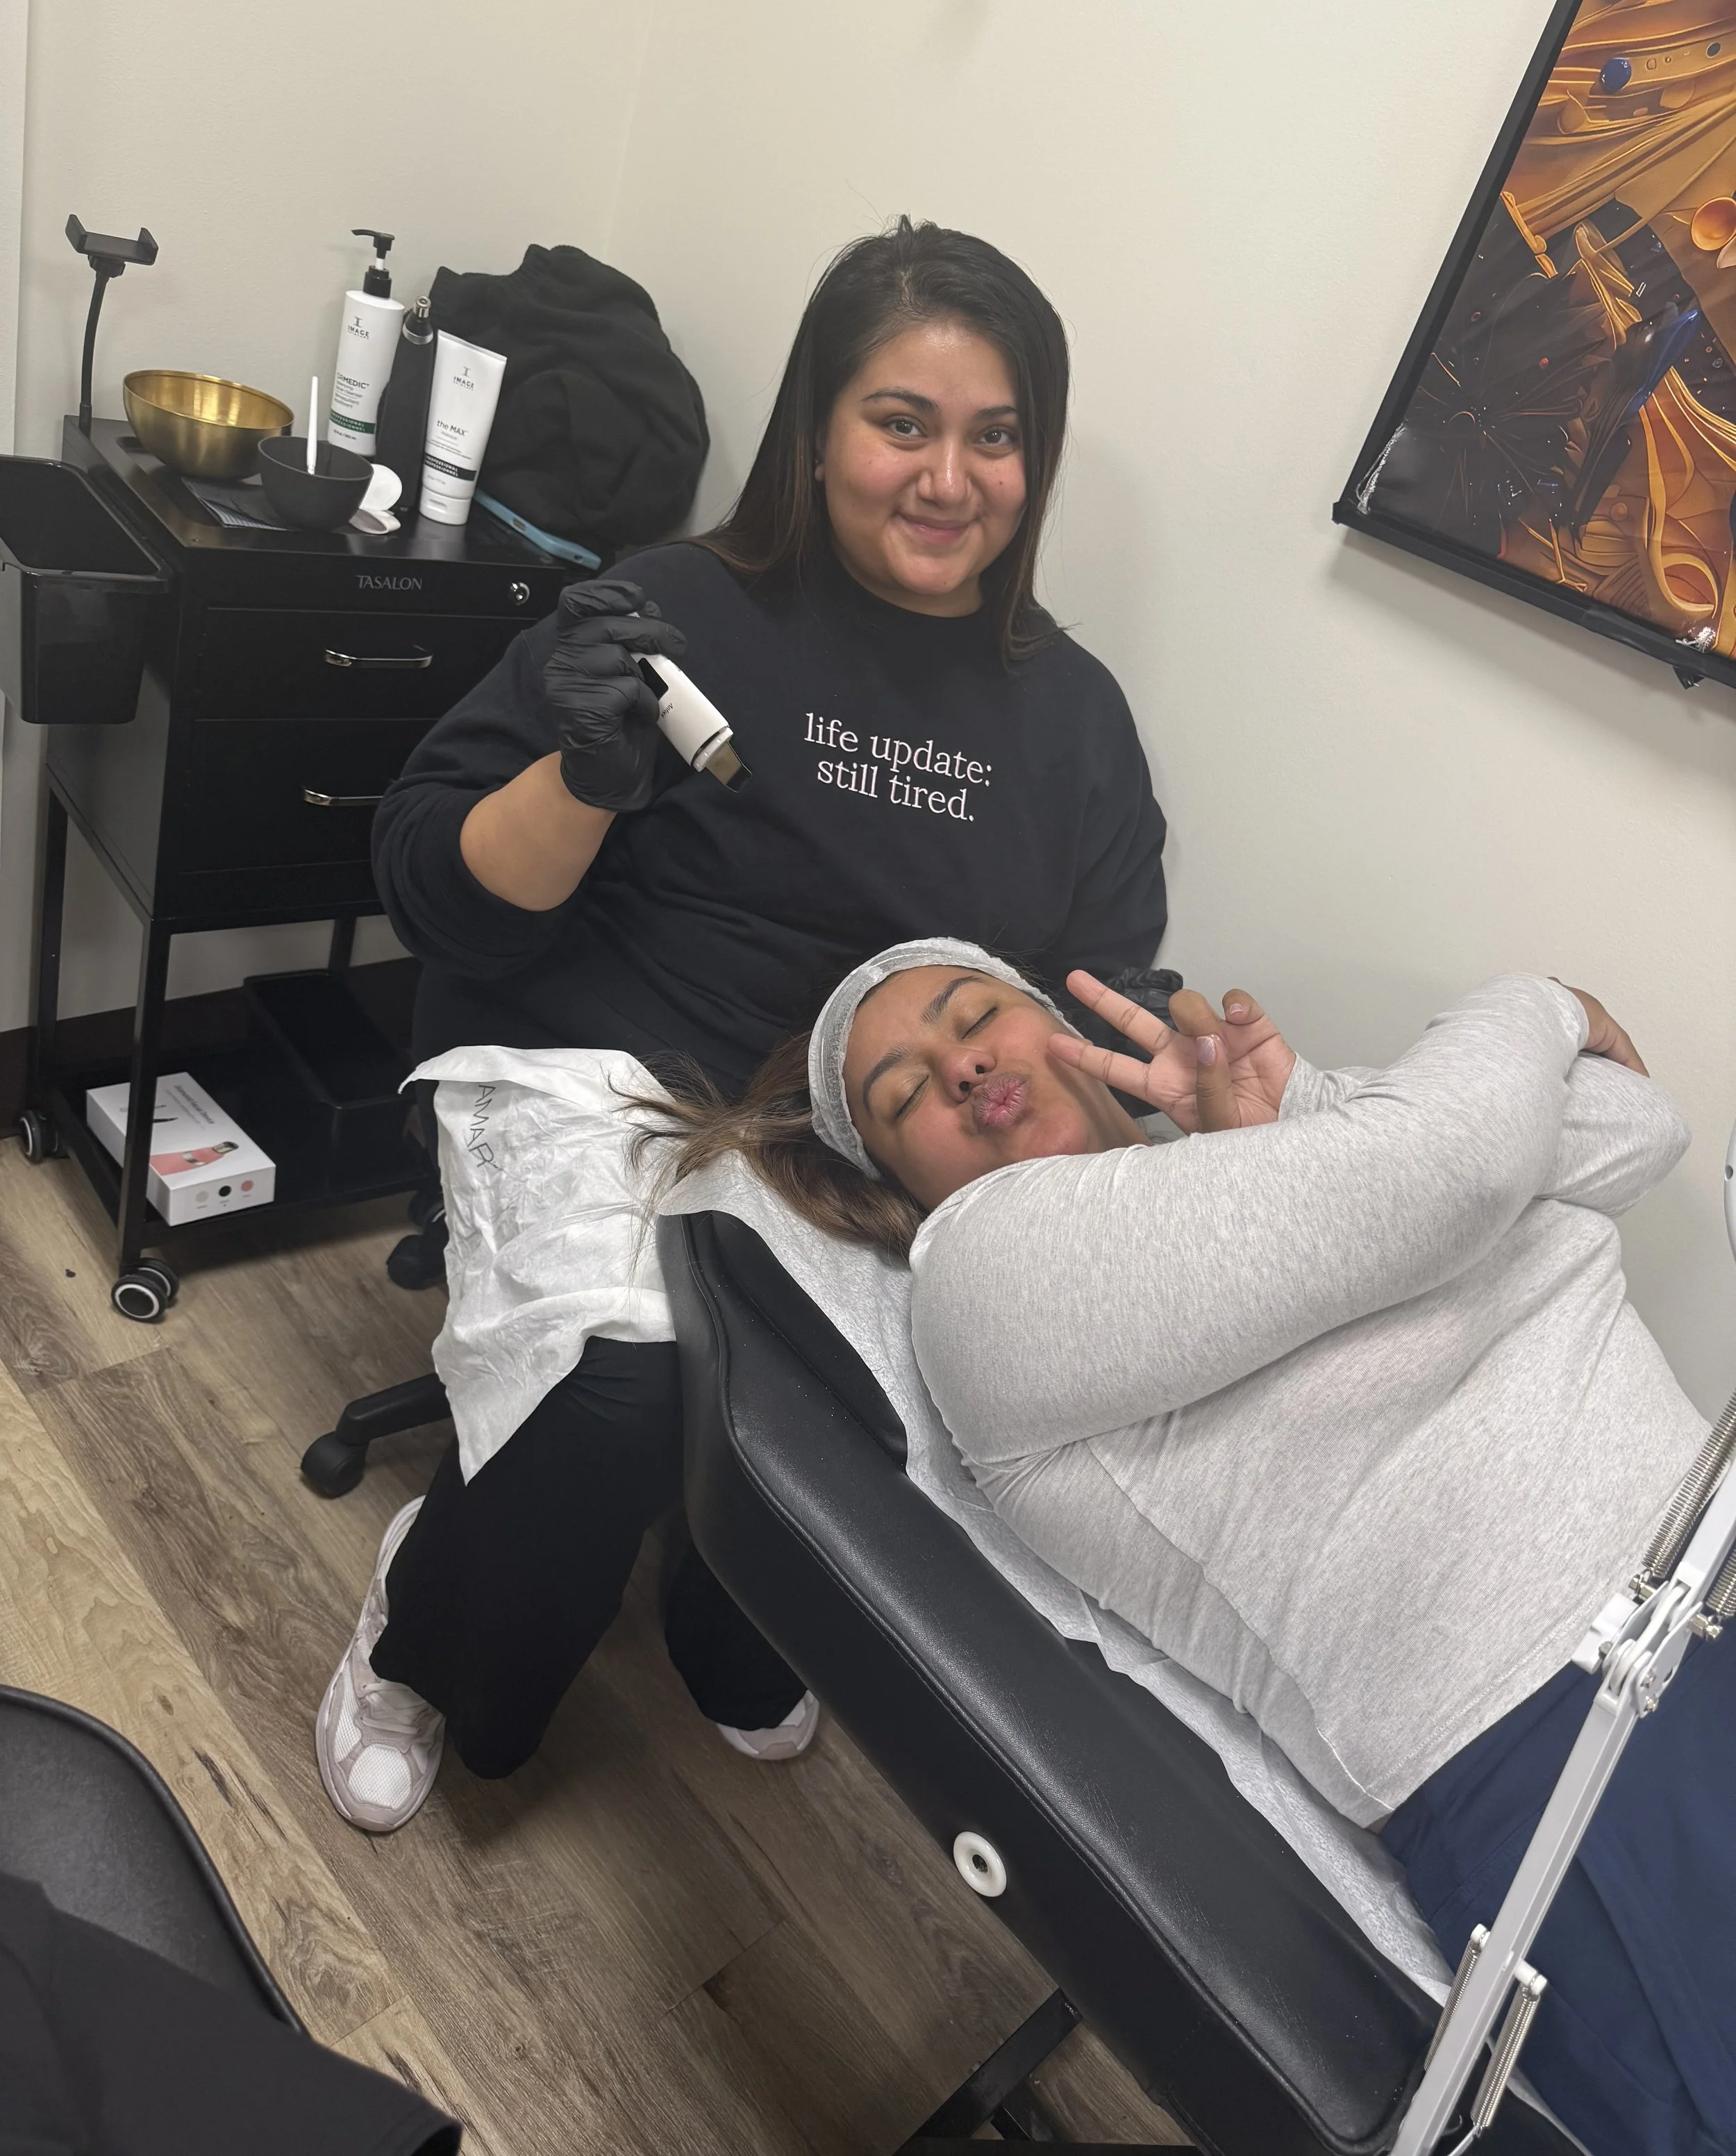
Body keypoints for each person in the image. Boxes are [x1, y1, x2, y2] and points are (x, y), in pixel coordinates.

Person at [315, 221, 1169, 1836]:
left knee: (897, 1399)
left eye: (994, 436)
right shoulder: (675, 610)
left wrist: (1180, 1084)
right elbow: (429, 885)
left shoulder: (1072, 721)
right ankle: (433, 1628)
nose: (949, 479)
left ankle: (725, 1612)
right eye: (901, 423)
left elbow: (1100, 994)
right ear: (815, 433)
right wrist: (582, 778)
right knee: (627, 1374)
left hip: (856, 1141)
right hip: (600, 1075)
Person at [651, 936, 1729, 2156]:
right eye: (904, 1097)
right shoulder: (992, 1273)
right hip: (1566, 1725)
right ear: (897, 1184)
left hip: (1708, 1571)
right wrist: (1544, 1000)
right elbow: (1471, 1166)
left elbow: (1637, 1130)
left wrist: (1308, 1112)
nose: (961, 1068)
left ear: (1062, 1026)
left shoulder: (1265, 1169)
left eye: (976, 1017)